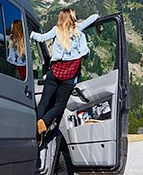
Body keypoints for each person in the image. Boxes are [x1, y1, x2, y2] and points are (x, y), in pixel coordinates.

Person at [30, 8, 99, 138]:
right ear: (72, 18)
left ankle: (33, 130)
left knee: (44, 102)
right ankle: (44, 122)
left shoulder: (56, 30)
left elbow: (41, 38)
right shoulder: (78, 30)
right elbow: (94, 16)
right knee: (60, 105)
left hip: (54, 72)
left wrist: (29, 33)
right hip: (69, 76)